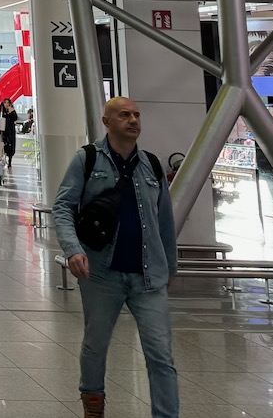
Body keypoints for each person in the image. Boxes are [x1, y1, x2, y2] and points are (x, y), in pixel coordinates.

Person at [53, 97, 179, 418]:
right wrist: (73, 249)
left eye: (136, 115)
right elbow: (64, 206)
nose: (133, 120)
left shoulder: (151, 164)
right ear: (107, 122)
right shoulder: (88, 159)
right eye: (124, 115)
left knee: (161, 355)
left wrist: (170, 269)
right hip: (101, 273)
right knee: (95, 346)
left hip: (148, 277)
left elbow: (165, 221)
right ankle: (93, 406)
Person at [0, 98, 18, 163]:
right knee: (4, 145)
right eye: (5, 103)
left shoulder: (12, 110)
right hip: (4, 131)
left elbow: (15, 118)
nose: (7, 104)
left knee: (11, 145)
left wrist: (11, 111)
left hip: (10, 131)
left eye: (8, 103)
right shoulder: (2, 111)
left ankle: (10, 159)